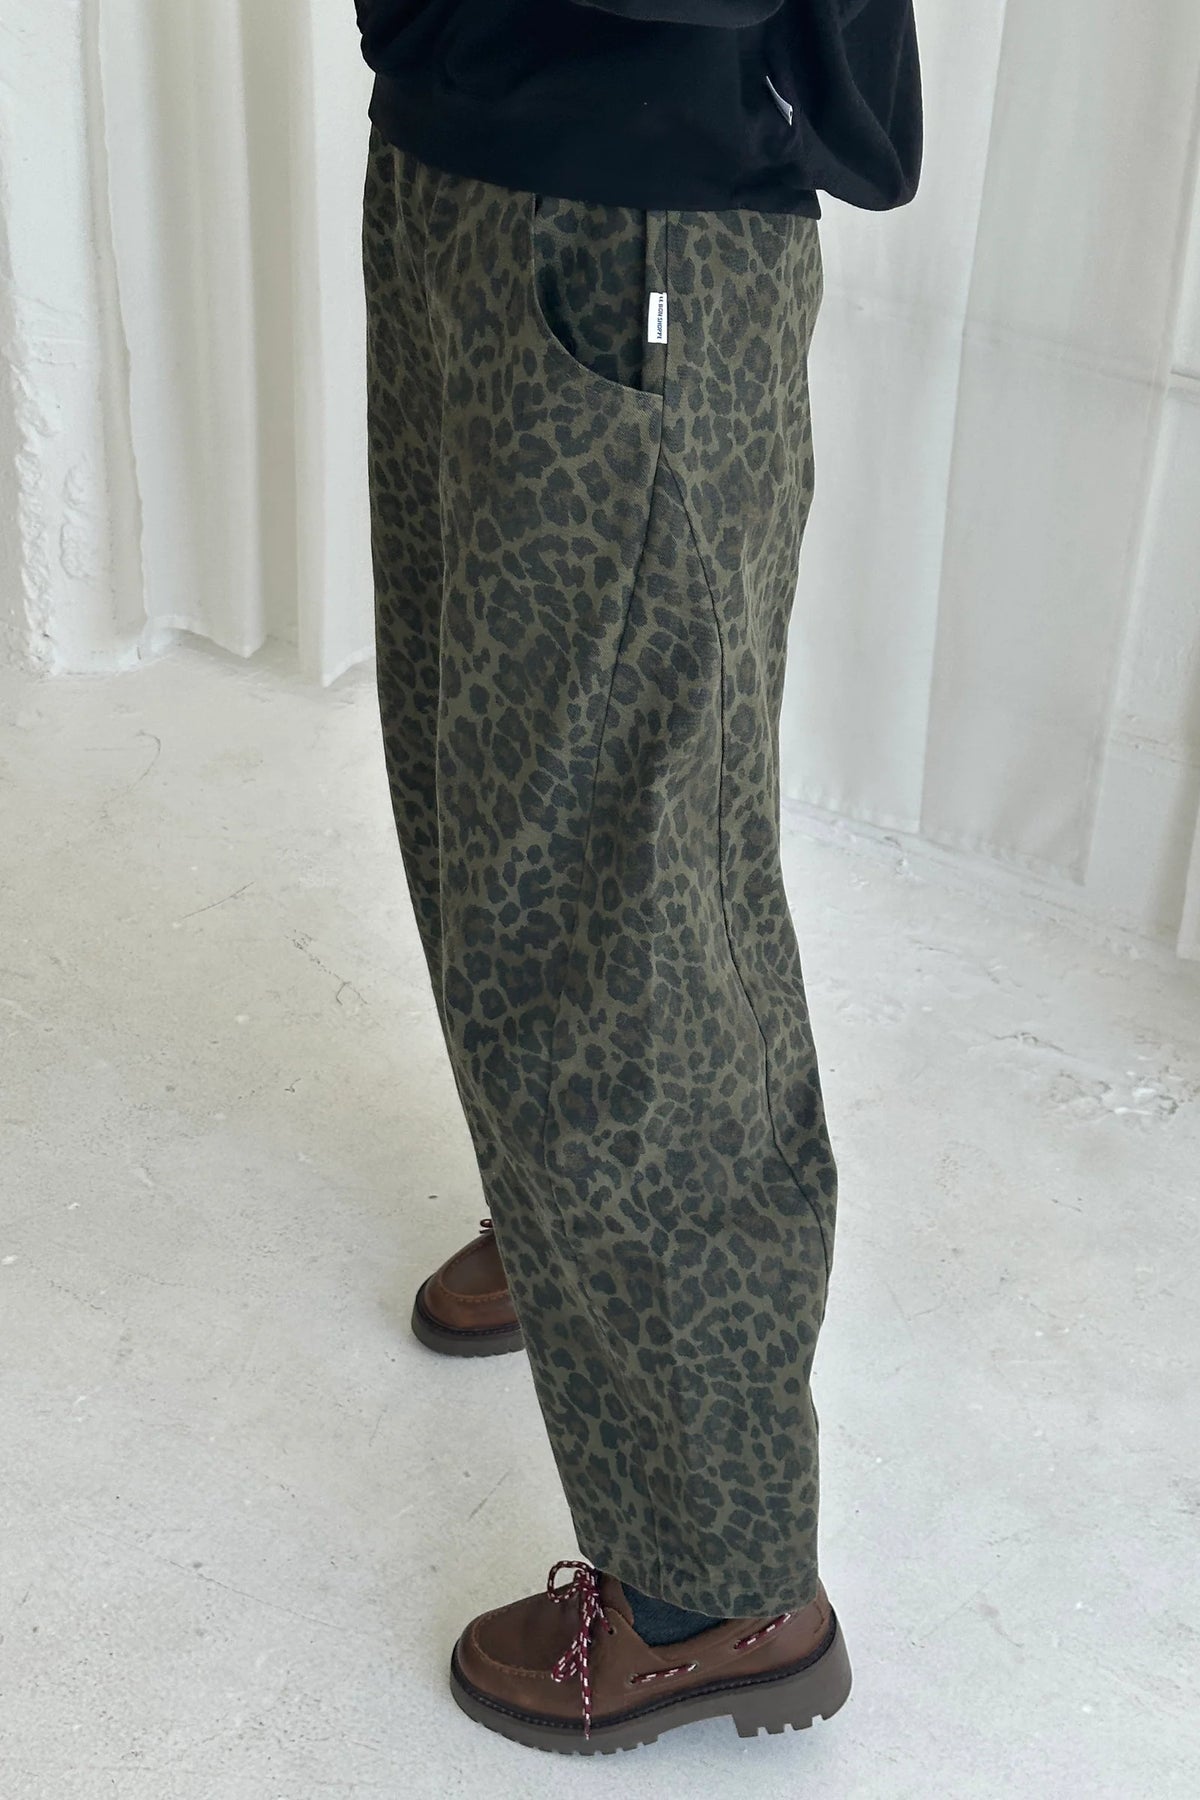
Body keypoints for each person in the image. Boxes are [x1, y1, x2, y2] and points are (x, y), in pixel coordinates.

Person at [354, 0, 921, 1756]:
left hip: (636, 218)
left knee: (628, 906)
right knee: (472, 789)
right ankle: (572, 1234)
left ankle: (716, 1584)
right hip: (458, 159)